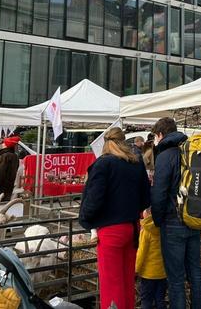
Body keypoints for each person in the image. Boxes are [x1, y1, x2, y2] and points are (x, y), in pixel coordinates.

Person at [80, 127, 150, 309]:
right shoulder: (136, 163)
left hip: (110, 230)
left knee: (111, 286)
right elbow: (146, 197)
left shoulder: (103, 164)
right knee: (127, 282)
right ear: (124, 141)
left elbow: (93, 200)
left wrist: (86, 220)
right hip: (132, 227)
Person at [150, 117, 201, 309]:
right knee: (196, 274)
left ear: (160, 135)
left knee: (176, 280)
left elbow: (158, 194)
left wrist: (158, 220)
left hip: (173, 222)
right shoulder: (190, 151)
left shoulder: (165, 156)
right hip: (194, 218)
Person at [136, 211, 167, 309]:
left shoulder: (146, 231)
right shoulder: (163, 229)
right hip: (162, 273)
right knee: (160, 300)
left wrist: (136, 269)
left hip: (148, 274)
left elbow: (141, 253)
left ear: (147, 214)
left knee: (146, 300)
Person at [0, 135, 20, 201]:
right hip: (9, 187)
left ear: (6, 145)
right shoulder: (15, 156)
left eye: (4, 143)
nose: (2, 144)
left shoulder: (5, 156)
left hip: (1, 187)